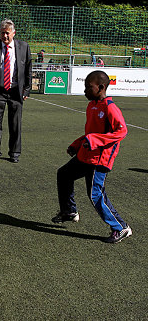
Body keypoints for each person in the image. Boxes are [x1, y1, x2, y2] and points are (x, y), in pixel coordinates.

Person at [52, 70, 132, 244]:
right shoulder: (92, 106)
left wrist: (95, 140)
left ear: (101, 87)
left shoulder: (110, 107)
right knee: (64, 174)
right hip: (86, 155)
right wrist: (77, 144)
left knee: (95, 194)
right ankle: (69, 211)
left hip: (100, 159)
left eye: (89, 87)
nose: (85, 91)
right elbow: (91, 133)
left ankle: (121, 227)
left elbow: (122, 131)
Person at [0, 19, 32, 163]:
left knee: (15, 124)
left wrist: (26, 90)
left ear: (13, 33)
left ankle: (14, 153)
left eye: (7, 33)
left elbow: (28, 69)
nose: (5, 36)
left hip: (16, 91)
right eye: (2, 33)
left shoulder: (24, 47)